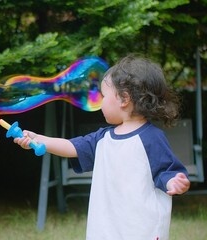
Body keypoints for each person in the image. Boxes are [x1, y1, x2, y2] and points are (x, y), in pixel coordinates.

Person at [14, 54, 190, 240]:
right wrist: (38, 139)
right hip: (107, 230)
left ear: (124, 99)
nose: (100, 101)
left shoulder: (152, 138)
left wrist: (174, 182)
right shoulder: (103, 139)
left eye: (104, 96)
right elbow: (71, 146)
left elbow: (167, 170)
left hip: (141, 230)